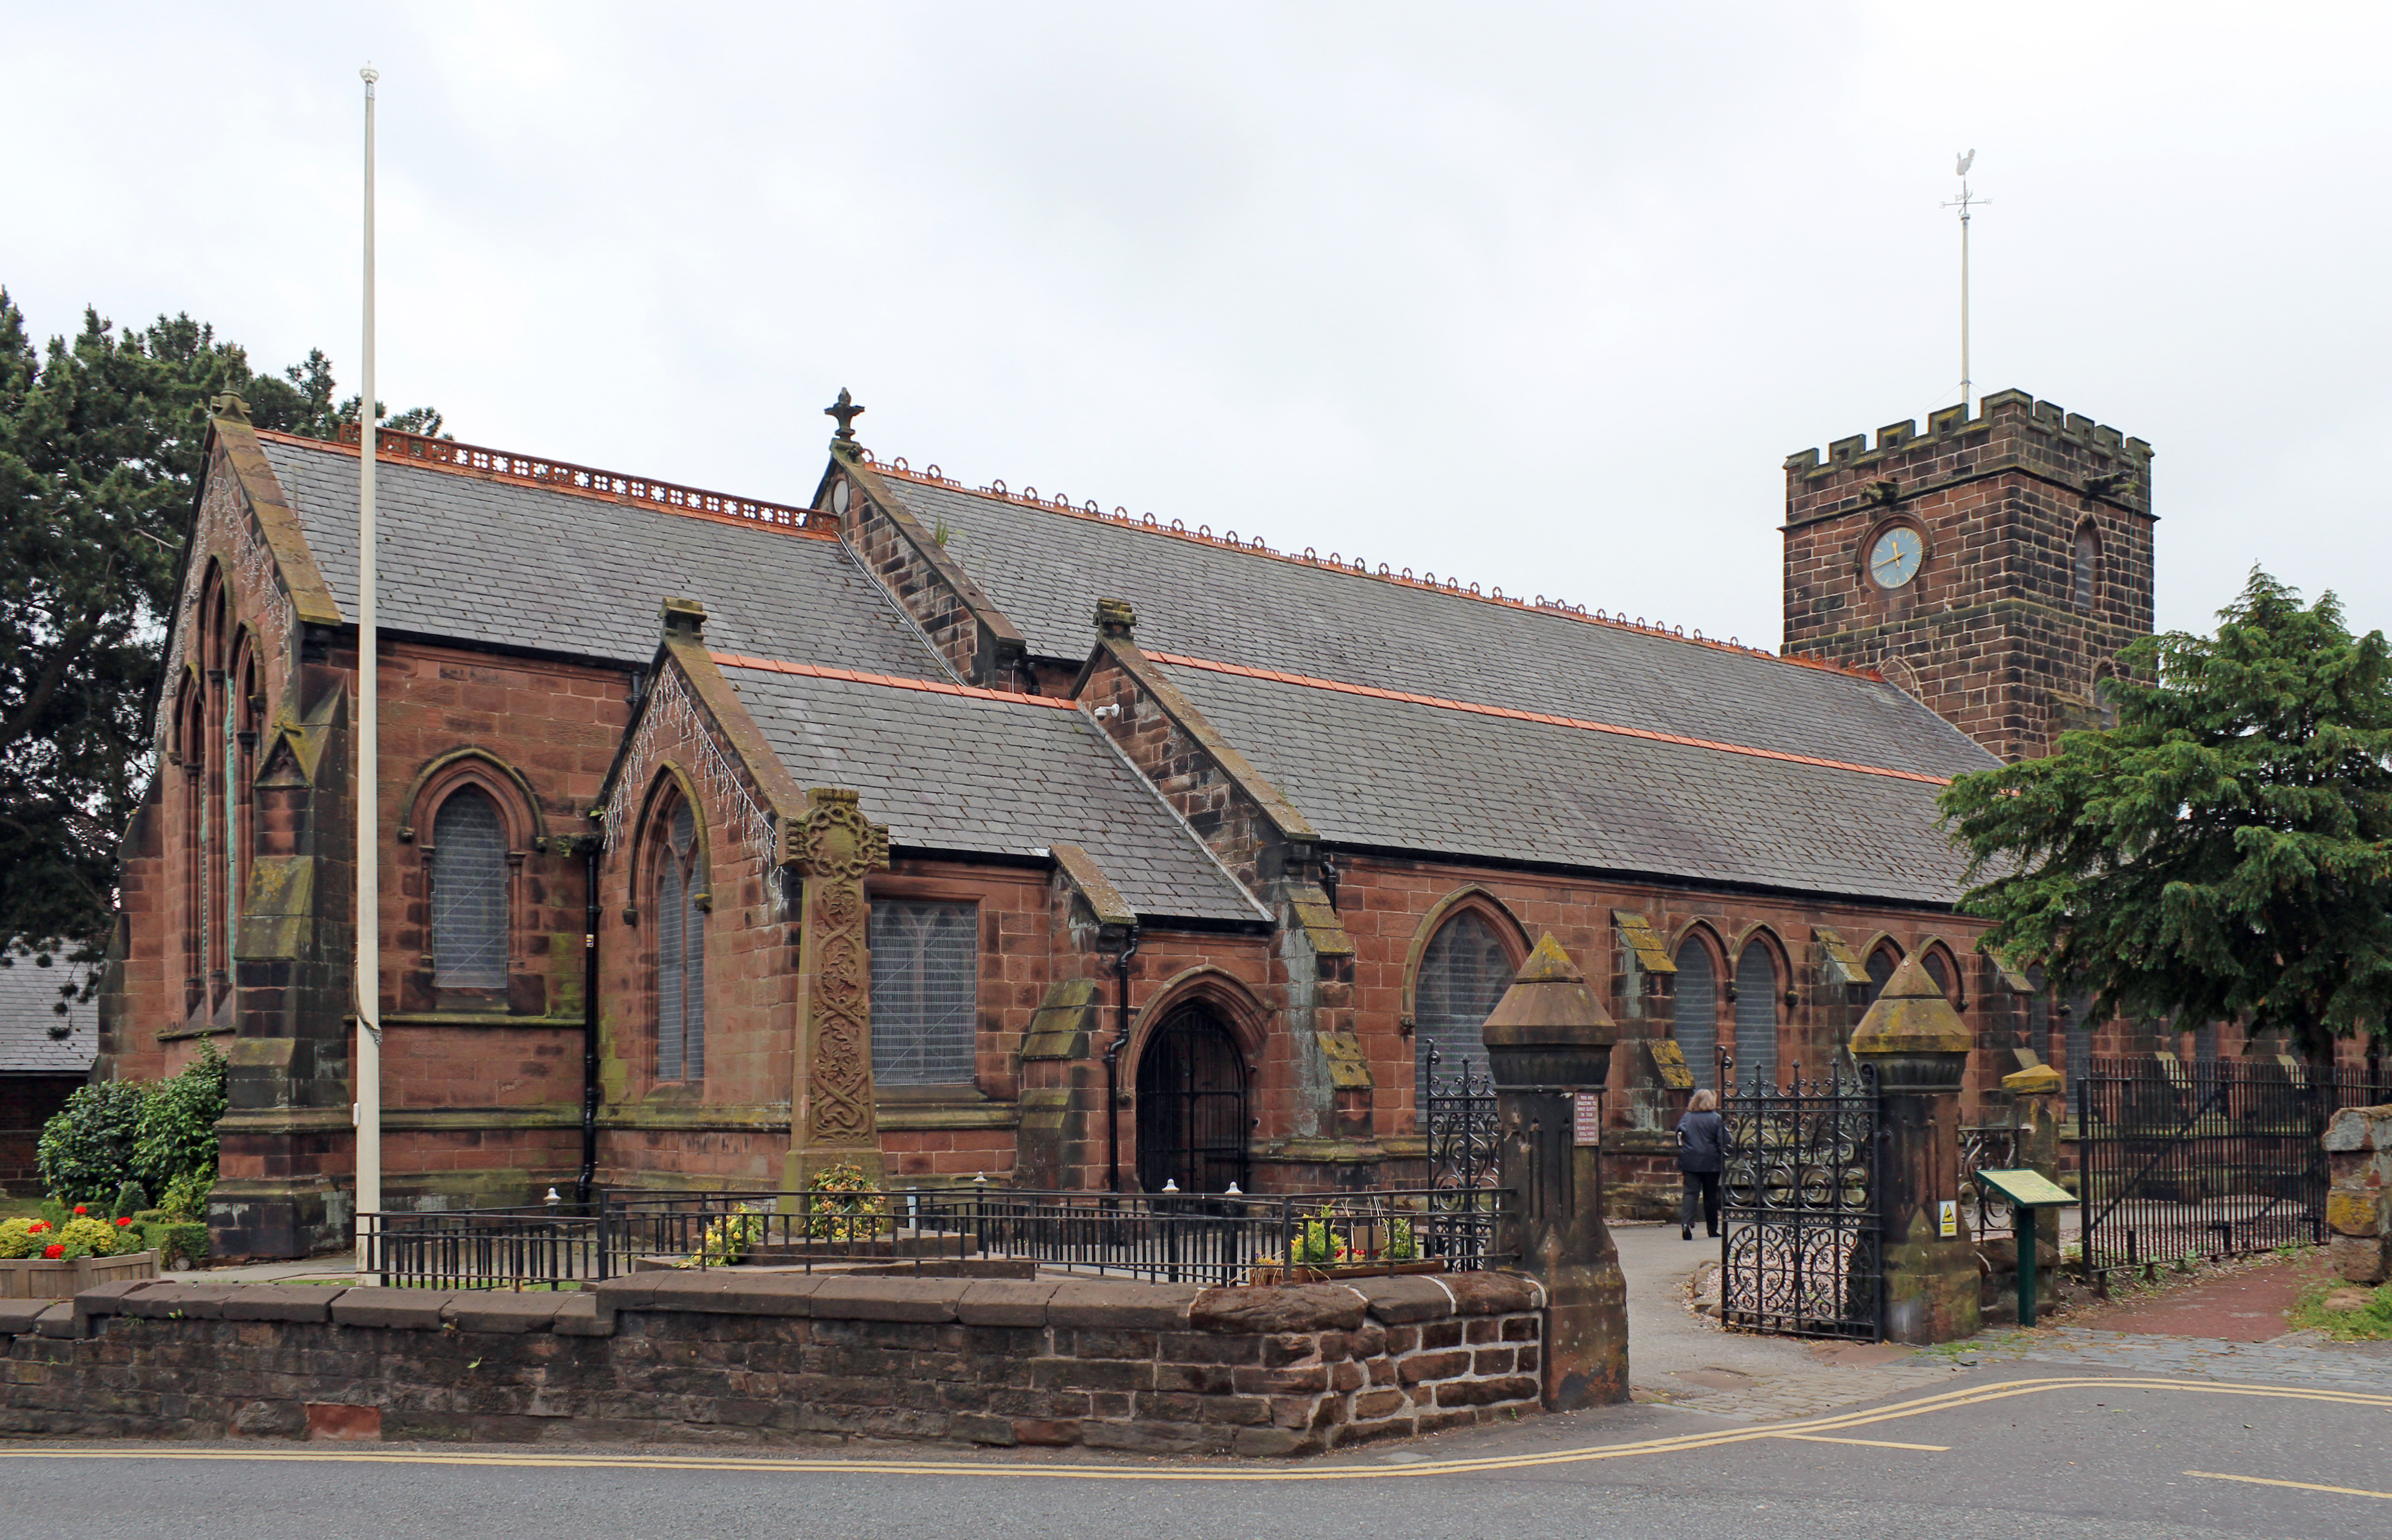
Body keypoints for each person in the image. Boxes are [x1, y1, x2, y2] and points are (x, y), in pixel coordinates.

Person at [1676, 1088, 1725, 1240]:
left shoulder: (1686, 1118)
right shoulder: (1716, 1118)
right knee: (1710, 1195)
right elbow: (1724, 1140)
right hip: (1711, 1162)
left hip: (1690, 1161)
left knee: (1690, 1193)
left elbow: (1679, 1137)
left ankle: (1686, 1224)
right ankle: (1712, 1229)